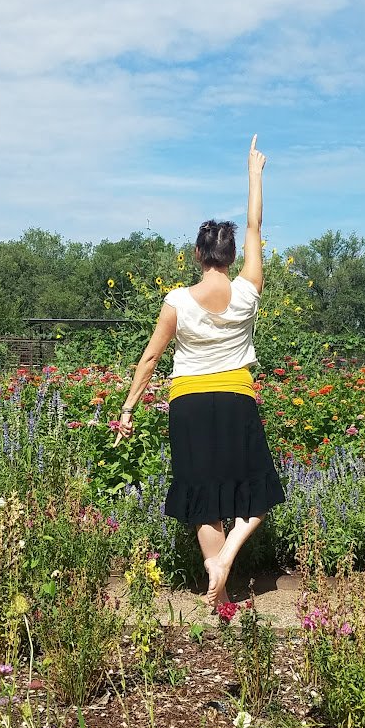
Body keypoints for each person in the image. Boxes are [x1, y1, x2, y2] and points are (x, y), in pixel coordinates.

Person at [114, 135, 285, 606]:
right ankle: (228, 557)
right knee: (258, 491)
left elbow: (150, 358)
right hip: (235, 397)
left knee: (202, 494)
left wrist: (128, 408)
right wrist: (255, 173)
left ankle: (220, 584)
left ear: (197, 255)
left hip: (187, 402)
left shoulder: (176, 301)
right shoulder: (250, 289)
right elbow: (255, 224)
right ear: (231, 257)